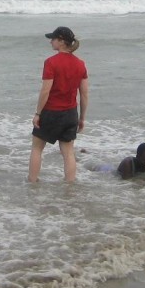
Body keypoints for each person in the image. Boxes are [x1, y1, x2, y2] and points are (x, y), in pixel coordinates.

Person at [28, 26, 89, 183]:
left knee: (36, 149)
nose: (50, 42)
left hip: (51, 112)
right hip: (70, 114)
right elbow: (84, 94)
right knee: (68, 153)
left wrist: (38, 113)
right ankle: (69, 187)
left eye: (53, 39)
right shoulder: (80, 64)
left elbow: (45, 91)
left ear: (61, 41)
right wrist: (81, 118)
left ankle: (32, 182)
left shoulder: (51, 62)